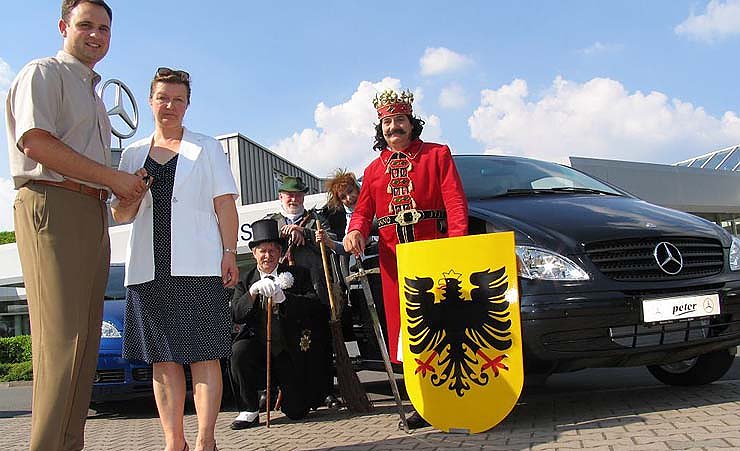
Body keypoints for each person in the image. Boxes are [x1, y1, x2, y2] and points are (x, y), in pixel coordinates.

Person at [5, 1, 147, 449]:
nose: (96, 35)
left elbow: (95, 174)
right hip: (53, 205)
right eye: (86, 25)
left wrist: (121, 190)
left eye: (104, 28)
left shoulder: (94, 97)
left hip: (90, 211)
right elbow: (35, 142)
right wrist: (113, 178)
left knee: (83, 348)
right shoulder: (43, 73)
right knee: (61, 343)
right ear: (63, 26)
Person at [111, 67, 239, 451]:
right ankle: (173, 442)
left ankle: (205, 440)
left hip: (199, 265)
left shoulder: (207, 147)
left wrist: (229, 252)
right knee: (162, 360)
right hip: (148, 269)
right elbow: (121, 214)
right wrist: (134, 193)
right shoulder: (132, 153)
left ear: (187, 105)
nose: (170, 105)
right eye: (163, 98)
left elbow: (225, 205)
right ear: (150, 101)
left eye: (178, 99)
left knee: (205, 354)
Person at [342, 88, 468, 429]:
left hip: (435, 255)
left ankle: (458, 397)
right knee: (406, 333)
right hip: (393, 263)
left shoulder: (437, 154)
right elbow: (362, 212)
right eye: (387, 122)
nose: (393, 127)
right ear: (380, 128)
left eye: (399, 120)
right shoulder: (372, 170)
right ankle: (422, 402)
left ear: (411, 123)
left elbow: (455, 203)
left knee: (444, 327)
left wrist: (457, 246)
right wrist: (355, 231)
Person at [230, 219, 331, 429]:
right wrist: (252, 293)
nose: (267, 256)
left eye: (272, 250)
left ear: (280, 252)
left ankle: (287, 394)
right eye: (262, 251)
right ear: (254, 253)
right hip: (258, 349)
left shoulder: (298, 274)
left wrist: (286, 299)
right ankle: (249, 410)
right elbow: (236, 314)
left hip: (289, 349)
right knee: (238, 351)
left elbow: (315, 307)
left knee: (296, 411)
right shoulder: (245, 280)